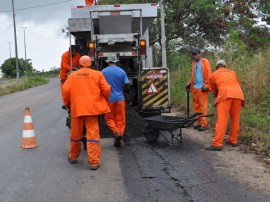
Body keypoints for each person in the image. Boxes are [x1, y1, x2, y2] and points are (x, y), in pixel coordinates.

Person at [62, 55, 111, 170]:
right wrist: (103, 99)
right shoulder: (97, 74)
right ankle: (93, 162)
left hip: (77, 109)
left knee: (75, 135)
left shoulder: (72, 76)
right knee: (93, 135)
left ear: (79, 64)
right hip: (92, 109)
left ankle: (73, 157)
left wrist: (67, 104)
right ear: (90, 64)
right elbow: (107, 89)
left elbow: (65, 91)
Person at [206, 60, 245, 151]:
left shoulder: (213, 75)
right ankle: (233, 140)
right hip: (238, 95)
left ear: (216, 67)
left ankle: (217, 144)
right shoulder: (232, 72)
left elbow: (214, 90)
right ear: (225, 66)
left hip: (224, 95)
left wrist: (218, 97)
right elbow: (237, 83)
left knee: (222, 120)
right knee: (235, 119)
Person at [101, 55, 130, 148]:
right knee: (120, 120)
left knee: (109, 118)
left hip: (109, 99)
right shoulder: (122, 71)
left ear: (108, 62)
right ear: (116, 62)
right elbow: (128, 87)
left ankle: (117, 133)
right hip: (120, 99)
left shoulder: (103, 72)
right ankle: (120, 139)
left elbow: (99, 86)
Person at [186, 48, 212, 131]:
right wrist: (190, 84)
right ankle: (199, 123)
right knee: (196, 107)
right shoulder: (194, 63)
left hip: (202, 88)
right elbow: (194, 76)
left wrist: (207, 86)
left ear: (199, 54)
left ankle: (203, 124)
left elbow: (209, 75)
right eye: (193, 54)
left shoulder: (205, 62)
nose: (194, 56)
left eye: (196, 54)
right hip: (195, 88)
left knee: (203, 107)